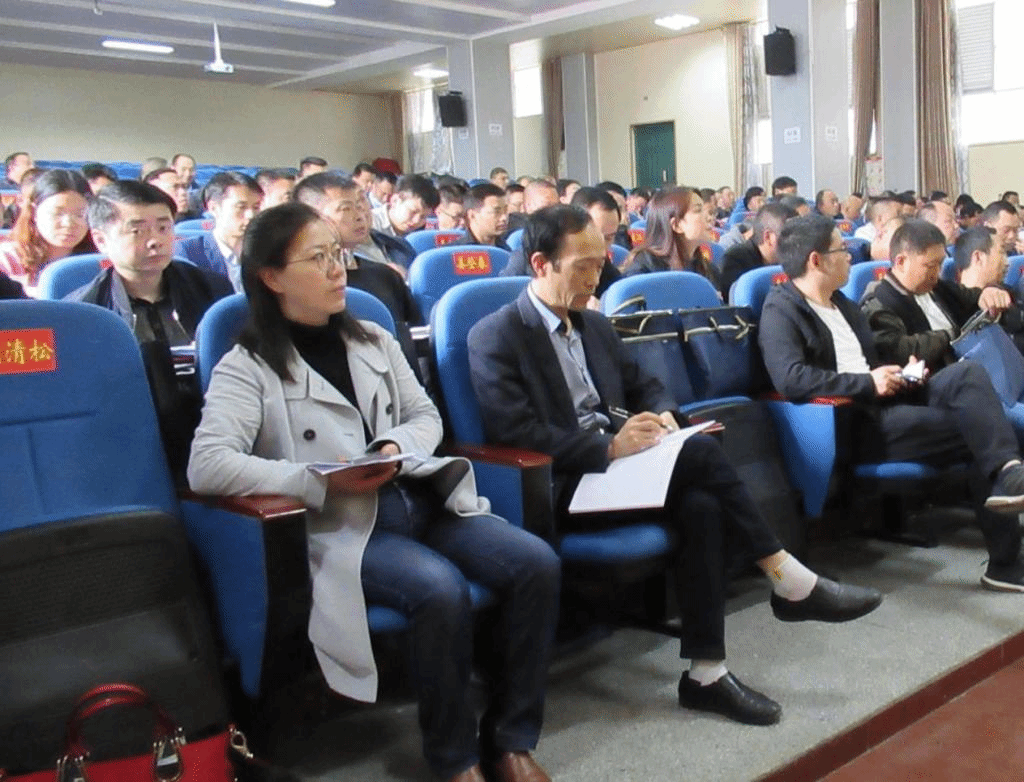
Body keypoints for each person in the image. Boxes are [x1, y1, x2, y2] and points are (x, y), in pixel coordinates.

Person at [468, 204, 882, 727]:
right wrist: (608, 448)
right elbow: (517, 432)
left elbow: (645, 384)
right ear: (539, 264)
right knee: (701, 454)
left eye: (600, 264)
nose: (596, 278)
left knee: (702, 504)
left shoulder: (594, 326)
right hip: (562, 481)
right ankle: (786, 575)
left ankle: (707, 673)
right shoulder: (497, 335)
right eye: (582, 266)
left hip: (619, 469)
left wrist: (664, 414)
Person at [188, 201, 559, 782]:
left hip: (420, 494)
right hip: (346, 522)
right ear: (272, 276)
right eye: (318, 258)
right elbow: (207, 466)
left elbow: (425, 416)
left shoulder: (373, 338)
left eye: (338, 254)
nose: (338, 269)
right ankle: (455, 760)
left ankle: (511, 739)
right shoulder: (248, 365)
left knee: (535, 563)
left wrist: (391, 445)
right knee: (438, 590)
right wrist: (313, 479)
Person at [760, 214, 1024, 590]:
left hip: (887, 400)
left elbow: (872, 362)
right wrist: (868, 382)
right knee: (980, 427)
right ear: (816, 260)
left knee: (966, 375)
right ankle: (1005, 563)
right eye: (841, 250)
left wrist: (902, 373)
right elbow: (791, 379)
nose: (851, 256)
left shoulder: (843, 306)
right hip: (850, 421)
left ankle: (1009, 472)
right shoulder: (782, 309)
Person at [68, 181, 232, 482]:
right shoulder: (83, 313)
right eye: (138, 231)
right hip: (128, 444)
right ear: (101, 240)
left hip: (218, 430)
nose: (155, 240)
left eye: (163, 228)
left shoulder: (213, 290)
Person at [293, 172, 424, 368]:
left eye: (361, 204)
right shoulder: (301, 285)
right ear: (312, 217)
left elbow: (415, 344)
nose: (361, 215)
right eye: (346, 208)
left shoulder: (385, 276)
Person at [861, 219, 1012, 373]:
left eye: (941, 264)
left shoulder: (937, 287)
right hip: (933, 377)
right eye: (931, 266)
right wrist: (952, 335)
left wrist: (987, 294)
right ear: (901, 262)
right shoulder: (878, 301)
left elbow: (971, 297)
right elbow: (897, 350)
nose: (937, 273)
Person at [0, 169, 94, 297]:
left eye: (80, 214)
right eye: (57, 213)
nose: (68, 223)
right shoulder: (7, 260)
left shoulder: (98, 261)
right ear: (34, 212)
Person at [173, 171, 263, 291]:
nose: (251, 215)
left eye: (256, 207)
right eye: (241, 207)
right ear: (214, 208)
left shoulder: (265, 252)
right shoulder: (187, 252)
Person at [621, 186, 721, 291]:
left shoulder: (708, 270)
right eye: (698, 210)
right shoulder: (642, 270)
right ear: (676, 225)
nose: (709, 217)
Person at [718, 202, 799, 296]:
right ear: (768, 237)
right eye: (790, 236)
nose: (797, 243)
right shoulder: (735, 260)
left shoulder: (794, 259)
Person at [371, 174, 439, 240]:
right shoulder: (371, 224)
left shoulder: (420, 233)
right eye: (413, 212)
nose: (416, 221)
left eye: (423, 217)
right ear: (395, 201)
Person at [449, 183, 510, 249]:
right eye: (496, 212)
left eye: (505, 211)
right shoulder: (454, 252)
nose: (504, 218)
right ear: (472, 215)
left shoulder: (507, 250)